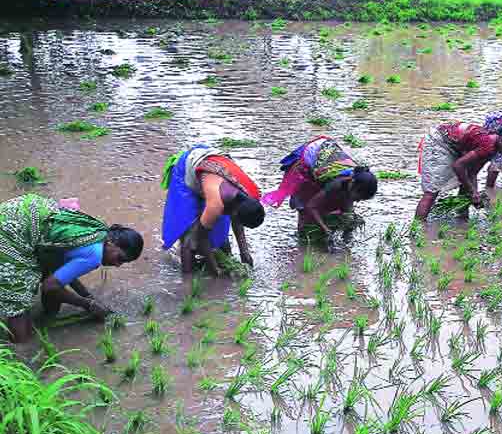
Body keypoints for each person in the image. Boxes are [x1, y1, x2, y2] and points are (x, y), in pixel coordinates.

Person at [0, 194, 143, 343]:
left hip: (19, 213)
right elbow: (49, 287)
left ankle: (45, 319)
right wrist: (87, 305)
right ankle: (20, 351)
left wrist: (88, 296)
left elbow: (62, 270)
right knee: (18, 304)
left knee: (48, 273)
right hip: (10, 234)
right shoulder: (95, 255)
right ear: (112, 242)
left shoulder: (98, 231)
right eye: (120, 258)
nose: (117, 265)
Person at [161, 144, 264, 275]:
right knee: (190, 237)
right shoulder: (216, 204)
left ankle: (213, 261)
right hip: (189, 167)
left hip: (213, 171)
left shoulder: (250, 195)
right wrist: (214, 270)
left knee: (220, 235)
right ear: (235, 211)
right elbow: (202, 236)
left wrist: (245, 253)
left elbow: (237, 221)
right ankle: (186, 282)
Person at [261, 137, 377, 237]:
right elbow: (311, 206)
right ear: (353, 185)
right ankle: (302, 239)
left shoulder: (354, 181)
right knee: (304, 209)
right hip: (306, 162)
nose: (357, 201)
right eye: (358, 197)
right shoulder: (337, 183)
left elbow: (347, 209)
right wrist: (325, 229)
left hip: (325, 159)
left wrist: (349, 229)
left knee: (339, 207)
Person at [416, 122, 502, 219]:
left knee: (466, 184)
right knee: (431, 192)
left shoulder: (493, 148)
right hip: (439, 141)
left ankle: (462, 219)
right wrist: (473, 191)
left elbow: (472, 173)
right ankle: (418, 228)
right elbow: (458, 166)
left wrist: (474, 193)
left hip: (453, 144)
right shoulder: (488, 146)